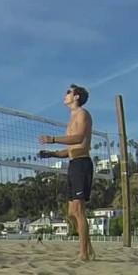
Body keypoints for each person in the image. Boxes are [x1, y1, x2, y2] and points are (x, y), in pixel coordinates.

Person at [38, 84, 96, 261]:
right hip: (73, 164)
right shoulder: (71, 119)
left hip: (82, 164)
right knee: (71, 213)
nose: (65, 95)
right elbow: (71, 148)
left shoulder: (82, 114)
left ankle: (83, 254)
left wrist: (53, 139)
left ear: (76, 97)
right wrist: (52, 153)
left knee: (78, 211)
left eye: (68, 92)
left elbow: (79, 138)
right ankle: (88, 246)